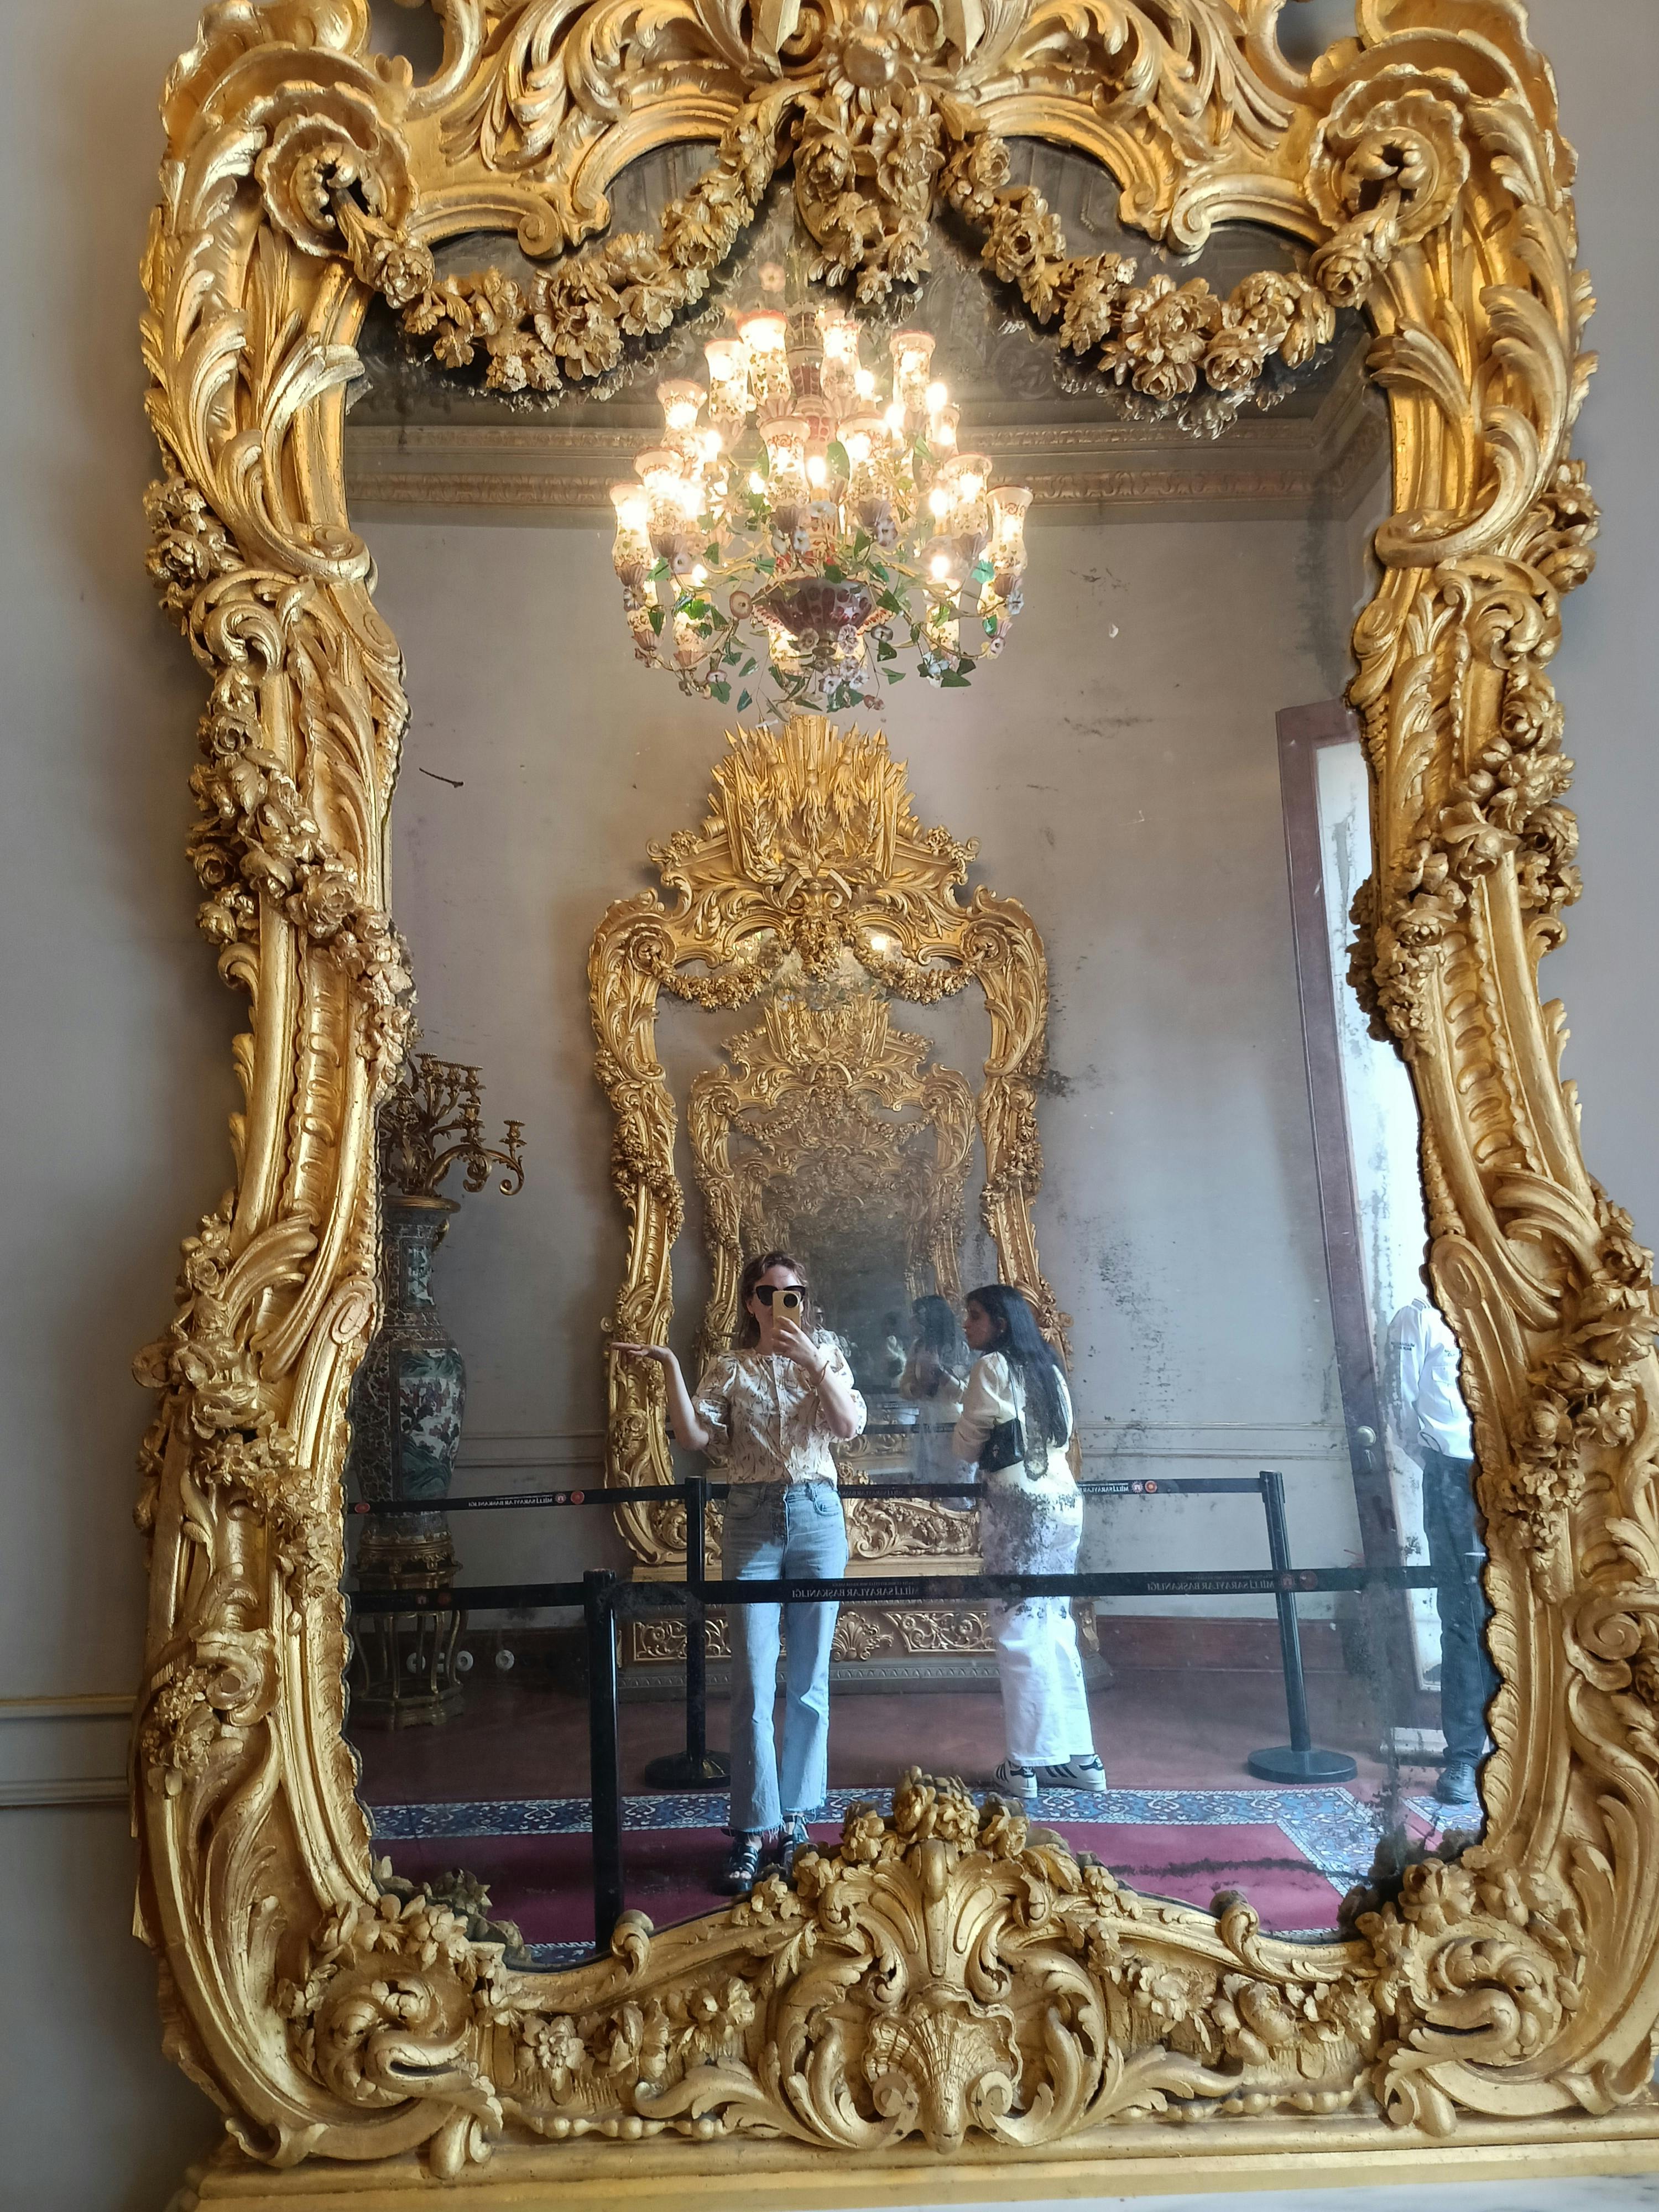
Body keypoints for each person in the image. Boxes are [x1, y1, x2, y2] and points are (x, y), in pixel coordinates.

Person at [617, 1251, 865, 1892]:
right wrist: (671, 1367)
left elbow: (847, 1426)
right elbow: (694, 1437)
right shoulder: (730, 1367)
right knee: (753, 1682)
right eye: (768, 1292)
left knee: (809, 1681)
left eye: (792, 1292)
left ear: (804, 1298)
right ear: (751, 1302)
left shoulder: (827, 1354)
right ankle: (755, 1828)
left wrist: (814, 1363)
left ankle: (799, 1819)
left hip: (817, 1518)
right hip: (751, 1521)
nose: (782, 1303)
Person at [953, 1282, 1104, 1799]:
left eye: (975, 1315)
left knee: (1018, 1628)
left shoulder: (992, 1367)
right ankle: (1079, 1757)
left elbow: (967, 1442)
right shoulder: (1049, 1368)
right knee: (1056, 1623)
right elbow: (1062, 1434)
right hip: (1063, 1500)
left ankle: (1026, 1763)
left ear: (1000, 1324)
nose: (967, 1324)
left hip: (1019, 1506)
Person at [1384, 1296, 1498, 1806]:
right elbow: (1400, 1408)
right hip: (1454, 1473)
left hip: (1530, 1467)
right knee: (1464, 1616)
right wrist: (1444, 1466)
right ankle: (1466, 1755)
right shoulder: (1420, 1318)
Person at [899, 1293, 973, 1491]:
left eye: (917, 1314)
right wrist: (917, 1388)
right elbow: (905, 1384)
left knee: (955, 1486)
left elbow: (965, 1395)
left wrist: (941, 1374)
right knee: (928, 1485)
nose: (912, 1319)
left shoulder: (959, 1347)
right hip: (926, 1422)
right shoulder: (918, 1346)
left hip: (953, 1424)